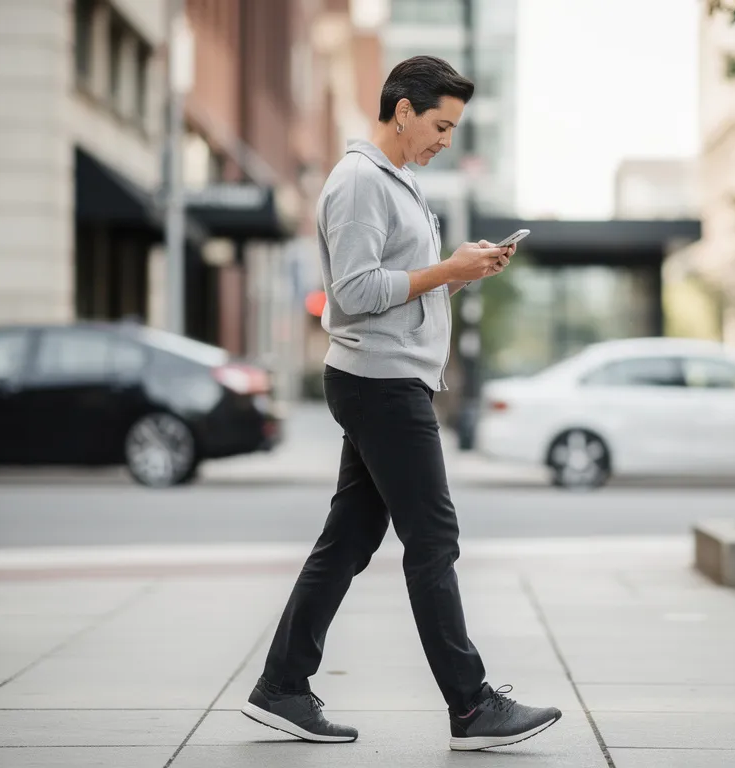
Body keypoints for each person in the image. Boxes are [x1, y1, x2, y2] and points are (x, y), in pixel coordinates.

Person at [241, 55, 562, 752]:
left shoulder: (398, 182)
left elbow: (396, 285)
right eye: (441, 125)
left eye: (454, 130)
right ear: (403, 110)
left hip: (387, 378)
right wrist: (446, 269)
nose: (446, 140)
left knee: (350, 540)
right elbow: (354, 293)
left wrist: (461, 272)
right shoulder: (360, 182)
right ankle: (471, 707)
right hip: (381, 383)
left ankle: (282, 687)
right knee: (434, 538)